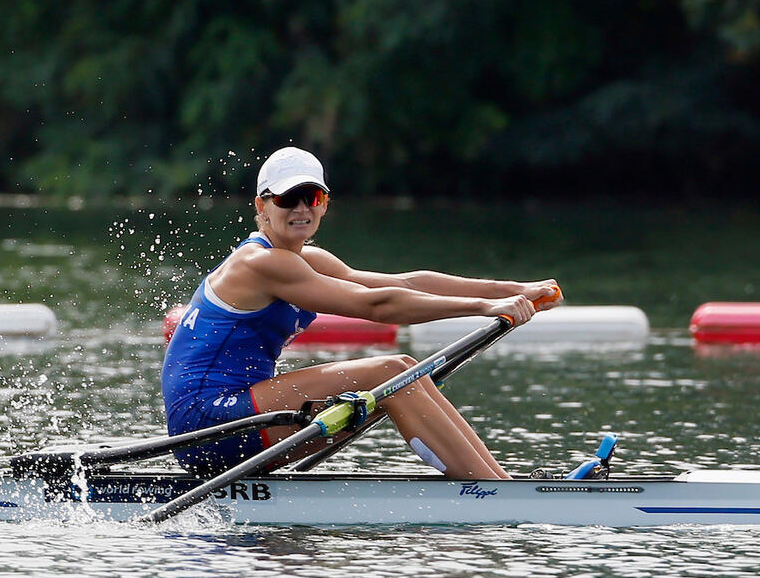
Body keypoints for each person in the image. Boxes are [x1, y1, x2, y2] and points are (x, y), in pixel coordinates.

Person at [161, 147, 563, 479]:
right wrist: (484, 308)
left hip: (235, 418)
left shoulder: (305, 259)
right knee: (391, 374)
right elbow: (376, 305)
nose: (301, 208)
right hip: (207, 424)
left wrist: (514, 290)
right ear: (261, 206)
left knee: (404, 368)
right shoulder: (260, 263)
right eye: (287, 199)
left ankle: (499, 484)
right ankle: (493, 492)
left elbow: (402, 284)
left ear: (324, 204)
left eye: (312, 198)